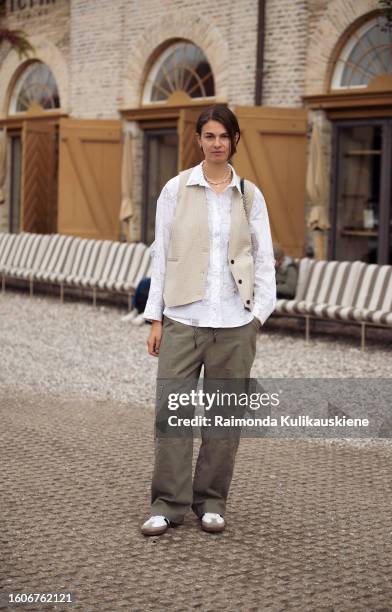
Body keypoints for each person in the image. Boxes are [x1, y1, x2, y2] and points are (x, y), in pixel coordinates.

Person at [141, 104, 276, 536]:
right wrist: (156, 318)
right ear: (198, 140)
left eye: (224, 136)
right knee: (172, 414)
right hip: (182, 318)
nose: (217, 143)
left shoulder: (250, 196)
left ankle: (212, 501)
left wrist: (258, 316)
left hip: (235, 324)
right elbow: (161, 253)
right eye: (210, 136)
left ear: (235, 140)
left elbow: (265, 260)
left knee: (223, 419)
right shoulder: (175, 190)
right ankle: (168, 504)